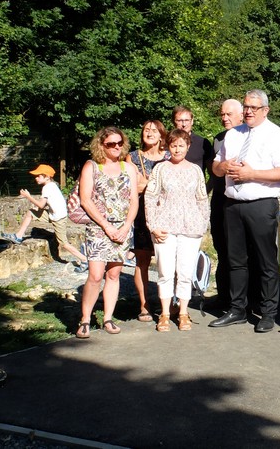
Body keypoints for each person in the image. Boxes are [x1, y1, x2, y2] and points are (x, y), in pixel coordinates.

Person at [210, 89, 280, 333]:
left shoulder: (277, 135)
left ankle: (268, 312)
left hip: (260, 204)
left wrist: (252, 174)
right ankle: (238, 309)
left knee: (265, 260)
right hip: (233, 204)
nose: (248, 111)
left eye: (253, 108)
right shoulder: (233, 135)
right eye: (246, 106)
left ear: (265, 110)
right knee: (235, 260)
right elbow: (215, 167)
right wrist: (223, 166)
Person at [75, 127, 139, 338]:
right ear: (101, 145)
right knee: (95, 275)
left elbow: (134, 201)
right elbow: (86, 200)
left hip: (122, 228)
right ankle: (85, 319)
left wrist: (127, 226)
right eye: (111, 144)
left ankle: (108, 318)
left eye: (119, 143)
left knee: (114, 274)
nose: (116, 147)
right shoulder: (91, 167)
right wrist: (106, 226)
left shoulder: (128, 168)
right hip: (98, 227)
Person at [145, 129, 210, 332]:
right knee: (165, 271)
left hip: (190, 228)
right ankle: (165, 313)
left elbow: (202, 198)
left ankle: (183, 312)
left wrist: (202, 223)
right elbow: (150, 196)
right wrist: (153, 225)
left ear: (188, 147)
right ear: (167, 146)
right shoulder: (160, 169)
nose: (177, 149)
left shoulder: (195, 170)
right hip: (164, 228)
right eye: (173, 145)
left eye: (181, 145)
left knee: (184, 272)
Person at [2, 164, 87, 266]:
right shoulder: (52, 185)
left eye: (38, 176)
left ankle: (84, 259)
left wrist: (28, 196)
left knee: (64, 243)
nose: (36, 178)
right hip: (54, 214)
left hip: (58, 218)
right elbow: (47, 202)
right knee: (31, 212)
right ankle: (18, 236)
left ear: (46, 177)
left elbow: (41, 205)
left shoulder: (47, 188)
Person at [128, 120, 169, 322]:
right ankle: (144, 305)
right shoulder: (133, 157)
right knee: (142, 260)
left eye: (154, 130)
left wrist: (147, 185)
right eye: (146, 129)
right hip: (141, 216)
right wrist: (155, 186)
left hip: (166, 215)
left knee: (168, 261)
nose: (149, 133)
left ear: (162, 135)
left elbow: (172, 188)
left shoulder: (170, 157)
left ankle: (168, 305)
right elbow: (131, 187)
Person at [209, 99, 244, 310]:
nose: (224, 118)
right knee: (221, 248)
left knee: (241, 252)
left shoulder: (249, 136)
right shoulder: (218, 139)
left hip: (240, 200)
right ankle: (224, 296)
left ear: (241, 115)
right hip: (220, 200)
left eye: (229, 114)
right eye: (222, 114)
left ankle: (245, 299)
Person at [173, 105, 214, 184]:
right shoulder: (167, 143)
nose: (184, 124)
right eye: (180, 120)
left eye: (187, 120)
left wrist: (205, 191)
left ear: (192, 121)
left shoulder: (203, 143)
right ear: (173, 121)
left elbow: (212, 174)